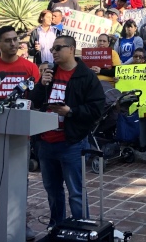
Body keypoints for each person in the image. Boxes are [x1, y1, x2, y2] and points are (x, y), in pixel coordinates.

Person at [31, 35, 105, 229]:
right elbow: (35, 101)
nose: (53, 52)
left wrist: (70, 112)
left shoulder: (86, 76)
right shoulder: (49, 73)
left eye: (58, 48)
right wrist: (41, 84)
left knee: (76, 192)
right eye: (52, 49)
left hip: (71, 143)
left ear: (71, 49)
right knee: (52, 190)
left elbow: (97, 109)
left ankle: (81, 229)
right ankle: (57, 226)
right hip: (46, 142)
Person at [0, 25, 41, 240]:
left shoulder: (30, 67)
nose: (13, 44)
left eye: (15, 39)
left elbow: (38, 98)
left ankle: (21, 223)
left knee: (20, 180)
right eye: (7, 40)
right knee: (1, 179)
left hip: (22, 133)